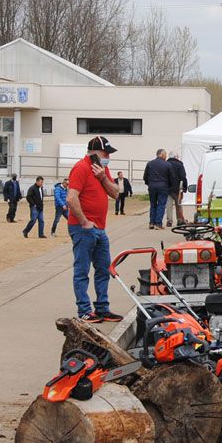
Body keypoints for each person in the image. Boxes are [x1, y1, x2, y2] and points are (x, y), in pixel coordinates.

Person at [67, 136, 122, 323]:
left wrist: (103, 178)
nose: (108, 157)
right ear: (95, 152)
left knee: (103, 268)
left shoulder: (102, 169)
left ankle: (102, 308)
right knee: (82, 270)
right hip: (83, 228)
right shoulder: (81, 168)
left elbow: (115, 193)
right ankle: (84, 309)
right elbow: (71, 198)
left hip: (100, 228)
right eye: (106, 153)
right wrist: (84, 221)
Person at [142, 149, 172, 230]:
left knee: (153, 204)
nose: (166, 157)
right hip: (163, 186)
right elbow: (171, 178)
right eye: (165, 155)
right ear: (161, 154)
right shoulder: (167, 165)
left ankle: (151, 222)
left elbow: (145, 177)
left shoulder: (150, 163)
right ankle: (158, 223)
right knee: (161, 205)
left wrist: (149, 183)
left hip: (152, 186)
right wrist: (168, 186)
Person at [166, 152, 188, 227]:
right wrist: (184, 187)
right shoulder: (179, 165)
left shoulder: (166, 164)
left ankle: (169, 221)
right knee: (178, 205)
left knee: (168, 205)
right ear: (176, 157)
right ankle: (180, 220)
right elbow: (183, 177)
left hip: (167, 188)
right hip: (177, 188)